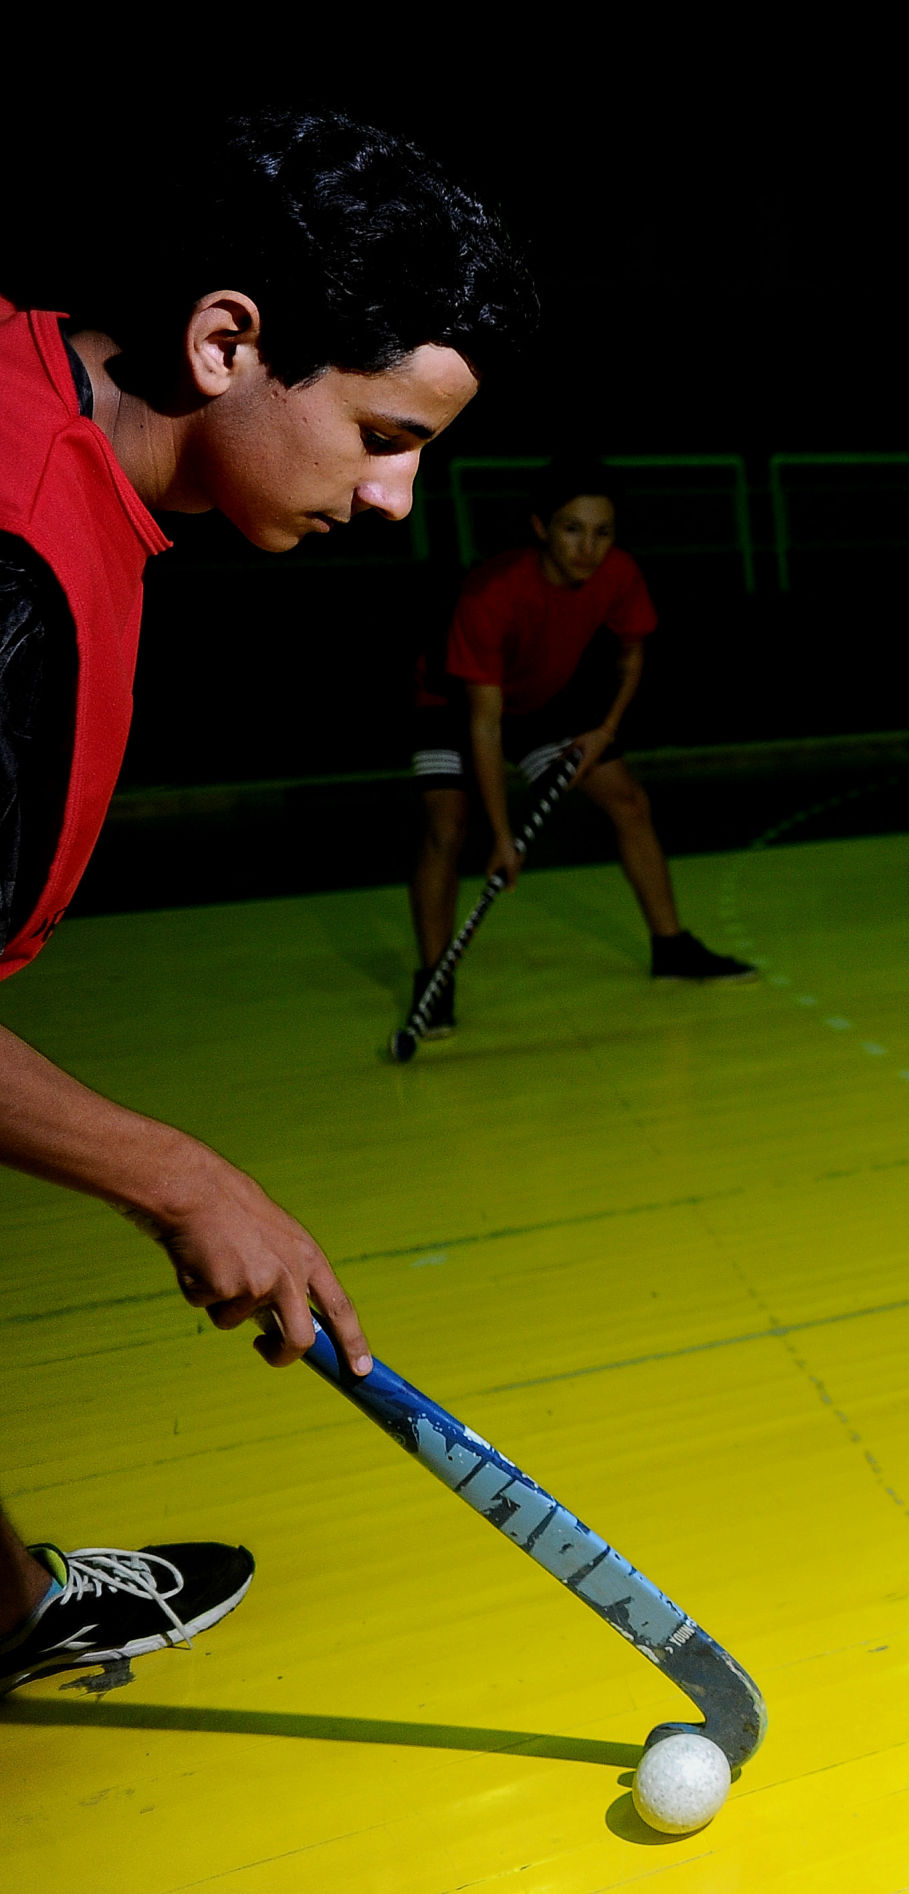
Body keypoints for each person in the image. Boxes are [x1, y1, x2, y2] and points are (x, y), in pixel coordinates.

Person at [1, 112, 533, 1694]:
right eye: (383, 433)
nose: (397, 502)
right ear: (227, 339)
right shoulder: (14, 552)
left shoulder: (48, 418)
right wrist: (175, 1176)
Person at [406, 459, 752, 1035]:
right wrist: (503, 839)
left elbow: (632, 657)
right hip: (453, 706)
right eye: (573, 529)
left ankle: (670, 947)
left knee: (629, 801)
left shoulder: (618, 575)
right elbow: (484, 726)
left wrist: (605, 729)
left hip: (537, 705)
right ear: (541, 527)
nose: (589, 547)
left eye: (602, 532)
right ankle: (434, 980)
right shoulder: (492, 594)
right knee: (448, 827)